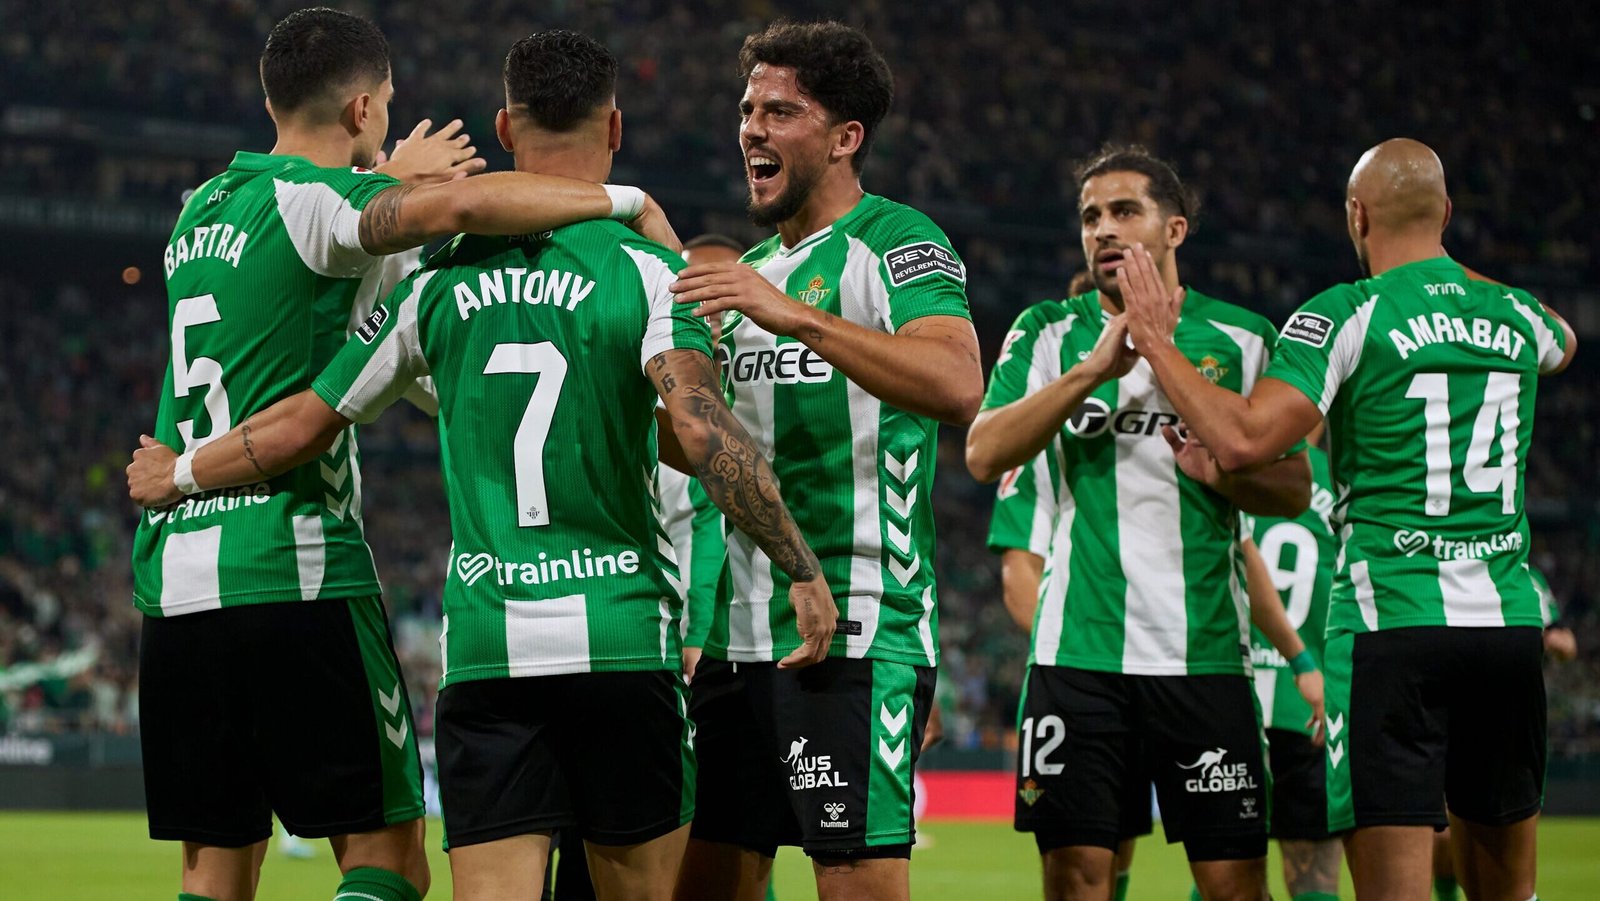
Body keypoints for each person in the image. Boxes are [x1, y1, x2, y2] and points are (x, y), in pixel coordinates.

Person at [129, 28, 836, 901]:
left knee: (226, 867)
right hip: (617, 639)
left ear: (503, 129)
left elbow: (306, 417)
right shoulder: (654, 272)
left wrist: (184, 472)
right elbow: (700, 431)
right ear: (615, 129)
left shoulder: (419, 283)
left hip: (483, 649)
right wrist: (798, 563)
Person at [1116, 137, 1576, 901]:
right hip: (1506, 629)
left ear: (1357, 216)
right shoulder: (1517, 314)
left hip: (1391, 624)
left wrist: (1159, 345)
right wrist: (1454, 283)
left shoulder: (1346, 313)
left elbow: (1245, 438)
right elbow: (1563, 335)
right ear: (1446, 214)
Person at [666, 20, 984, 901]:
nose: (751, 129)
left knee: (854, 883)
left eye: (780, 111)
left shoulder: (896, 240)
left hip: (856, 624)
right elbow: (704, 449)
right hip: (736, 636)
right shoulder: (748, 274)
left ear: (846, 137)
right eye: (747, 110)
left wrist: (797, 317)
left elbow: (959, 383)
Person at [965, 145, 1313, 901]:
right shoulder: (1047, 332)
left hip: (1205, 657)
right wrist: (1092, 371)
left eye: (1125, 211)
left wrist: (1222, 468)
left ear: (1174, 229)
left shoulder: (1244, 338)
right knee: (1077, 884)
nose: (1103, 229)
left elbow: (1293, 489)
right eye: (1091, 216)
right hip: (1077, 658)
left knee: (1235, 887)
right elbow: (983, 452)